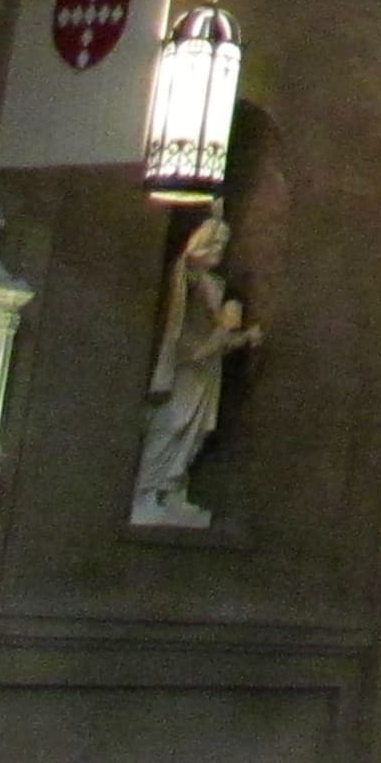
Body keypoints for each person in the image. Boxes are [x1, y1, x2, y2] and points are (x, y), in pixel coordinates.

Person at [132, 213, 263, 527]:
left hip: (207, 370)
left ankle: (173, 489)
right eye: (214, 241)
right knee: (172, 425)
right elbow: (185, 286)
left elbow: (221, 336)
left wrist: (244, 337)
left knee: (197, 431)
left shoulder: (216, 285)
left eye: (224, 243)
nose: (219, 247)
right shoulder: (188, 277)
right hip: (186, 362)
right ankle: (147, 493)